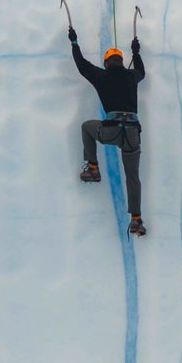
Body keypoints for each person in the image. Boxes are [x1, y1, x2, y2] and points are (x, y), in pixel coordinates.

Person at [68, 25, 146, 236]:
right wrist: (136, 52)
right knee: (133, 176)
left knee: (87, 127)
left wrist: (74, 42)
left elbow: (82, 66)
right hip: (132, 134)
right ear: (121, 61)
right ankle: (137, 219)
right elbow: (142, 72)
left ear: (106, 62)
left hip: (111, 130)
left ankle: (93, 168)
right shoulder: (131, 77)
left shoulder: (101, 76)